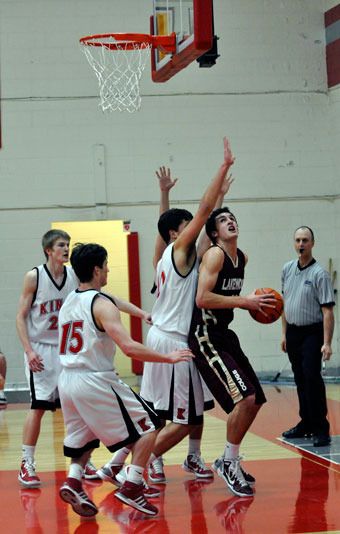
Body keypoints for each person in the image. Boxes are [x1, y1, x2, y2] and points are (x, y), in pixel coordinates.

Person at [57, 243, 193, 517]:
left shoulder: (71, 300)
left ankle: (73, 480)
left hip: (67, 381)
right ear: (97, 270)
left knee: (84, 436)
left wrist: (142, 314)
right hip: (94, 379)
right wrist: (168, 357)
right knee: (150, 426)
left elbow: (113, 300)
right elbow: (129, 347)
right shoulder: (101, 304)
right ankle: (132, 486)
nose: (108, 269)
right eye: (106, 265)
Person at [138, 137, 235, 482]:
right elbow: (199, 216)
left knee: (193, 404)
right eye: (186, 228)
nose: (195, 231)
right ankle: (141, 461)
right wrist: (221, 169)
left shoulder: (173, 257)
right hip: (172, 339)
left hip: (174, 337)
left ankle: (189, 457)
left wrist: (220, 196)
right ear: (177, 233)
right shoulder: (175, 253)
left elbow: (204, 227)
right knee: (172, 411)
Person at [188, 207, 276, 497]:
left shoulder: (243, 258)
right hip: (205, 335)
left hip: (225, 335)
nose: (231, 222)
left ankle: (229, 458)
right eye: (223, 220)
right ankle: (228, 461)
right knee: (245, 397)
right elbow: (202, 298)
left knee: (256, 399)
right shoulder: (214, 255)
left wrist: (249, 303)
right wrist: (244, 302)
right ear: (214, 233)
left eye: (232, 218)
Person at [16, 229, 78, 488]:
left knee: (75, 406)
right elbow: (20, 317)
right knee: (39, 407)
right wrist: (29, 351)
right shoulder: (34, 276)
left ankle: (81, 459)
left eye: (68, 245)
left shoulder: (74, 275)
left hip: (65, 350)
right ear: (49, 250)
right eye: (61, 245)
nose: (66, 249)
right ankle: (26, 463)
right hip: (40, 349)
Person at [281, 226, 335, 447]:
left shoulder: (319, 274)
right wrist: (284, 334)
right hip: (293, 332)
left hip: (313, 332)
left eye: (305, 240)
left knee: (312, 376)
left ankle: (322, 428)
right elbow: (283, 304)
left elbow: (328, 312)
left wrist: (327, 343)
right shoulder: (286, 269)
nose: (301, 244)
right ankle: (306, 423)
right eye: (298, 240)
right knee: (300, 378)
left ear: (312, 243)